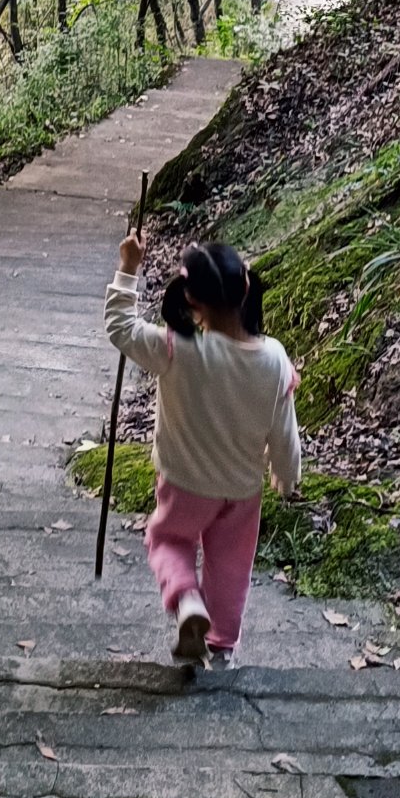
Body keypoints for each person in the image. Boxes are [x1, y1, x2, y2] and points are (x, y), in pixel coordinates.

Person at [105, 231, 301, 666]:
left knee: (169, 541)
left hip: (184, 484)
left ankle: (187, 601)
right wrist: (287, 478)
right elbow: (284, 432)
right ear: (245, 288)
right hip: (241, 491)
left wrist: (128, 268)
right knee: (231, 568)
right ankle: (222, 645)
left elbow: (121, 328)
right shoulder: (274, 360)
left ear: (191, 300)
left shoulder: (176, 348)